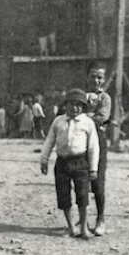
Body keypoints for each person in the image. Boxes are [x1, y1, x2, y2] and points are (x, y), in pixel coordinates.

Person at [39, 88, 99, 239]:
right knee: (63, 194)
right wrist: (44, 159)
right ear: (65, 105)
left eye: (79, 105)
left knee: (82, 194)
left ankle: (84, 227)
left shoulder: (87, 122)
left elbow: (93, 146)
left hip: (80, 162)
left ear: (83, 107)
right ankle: (71, 227)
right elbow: (49, 141)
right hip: (62, 163)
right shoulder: (58, 121)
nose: (74, 108)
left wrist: (93, 168)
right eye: (71, 104)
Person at [85, 61, 112, 236]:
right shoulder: (80, 95)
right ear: (87, 77)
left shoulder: (105, 98)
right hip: (81, 141)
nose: (96, 80)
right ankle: (83, 218)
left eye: (99, 77)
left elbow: (102, 117)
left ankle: (100, 218)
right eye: (93, 76)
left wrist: (82, 115)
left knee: (98, 181)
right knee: (81, 181)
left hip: (98, 140)